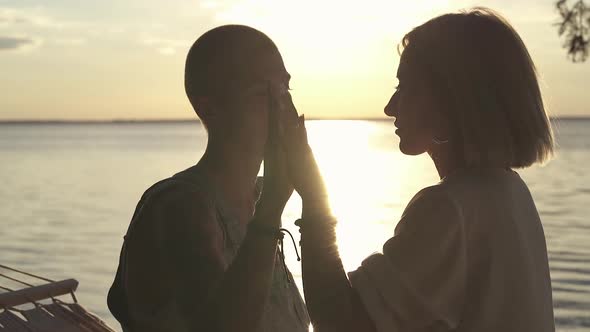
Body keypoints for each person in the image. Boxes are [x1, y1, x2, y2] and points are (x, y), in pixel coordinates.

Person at [281, 8, 556, 332]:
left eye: (404, 87)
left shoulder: (450, 209)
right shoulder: (511, 192)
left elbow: (340, 322)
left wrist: (314, 198)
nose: (390, 107)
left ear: (451, 100)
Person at [107, 25, 310, 332]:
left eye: (285, 90)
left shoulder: (257, 198)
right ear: (210, 108)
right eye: (262, 94)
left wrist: (307, 194)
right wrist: (272, 206)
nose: (283, 107)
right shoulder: (180, 205)